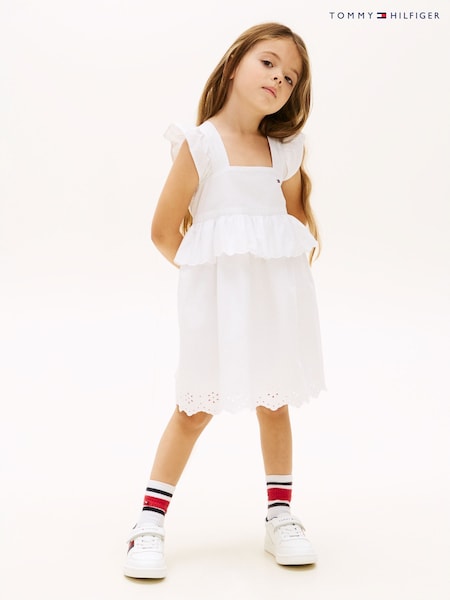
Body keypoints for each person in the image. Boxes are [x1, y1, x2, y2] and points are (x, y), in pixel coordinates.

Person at [124, 22, 326, 579]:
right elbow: (164, 232)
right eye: (268, 63)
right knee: (194, 408)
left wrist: (281, 293)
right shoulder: (201, 145)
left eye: (290, 78)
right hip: (216, 307)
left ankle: (280, 515)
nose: (278, 79)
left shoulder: (284, 151)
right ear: (235, 64)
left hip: (274, 305)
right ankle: (148, 522)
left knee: (275, 402)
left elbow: (292, 224)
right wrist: (209, 288)